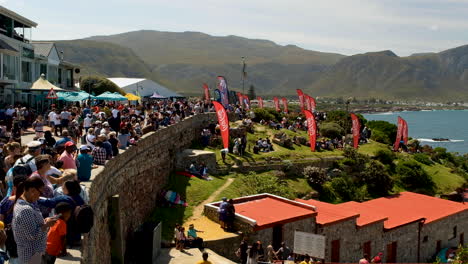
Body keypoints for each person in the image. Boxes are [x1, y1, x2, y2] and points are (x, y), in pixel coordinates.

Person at [12, 177, 57, 264]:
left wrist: (44, 221)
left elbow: (31, 226)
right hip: (31, 255)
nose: (40, 196)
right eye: (40, 192)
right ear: (32, 190)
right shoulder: (25, 210)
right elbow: (33, 236)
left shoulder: (24, 203)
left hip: (32, 254)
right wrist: (46, 225)